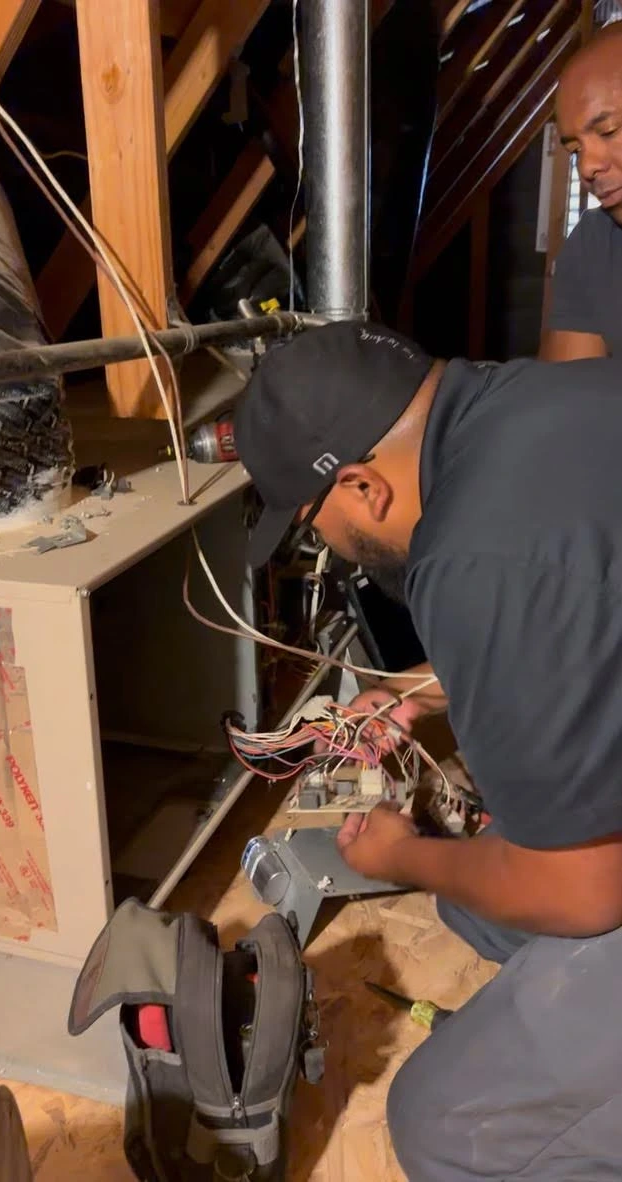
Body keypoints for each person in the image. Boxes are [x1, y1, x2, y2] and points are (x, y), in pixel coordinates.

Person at [234, 320, 622, 1181]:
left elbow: (584, 892)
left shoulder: (468, 559)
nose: (325, 548)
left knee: (448, 1124)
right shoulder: (546, 398)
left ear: (364, 488)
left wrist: (404, 855)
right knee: (478, 904)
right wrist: (408, 690)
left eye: (314, 526)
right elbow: (576, 594)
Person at [542, 21, 622, 361]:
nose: (587, 167)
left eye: (608, 130)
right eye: (574, 150)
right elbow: (565, 400)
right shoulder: (594, 247)